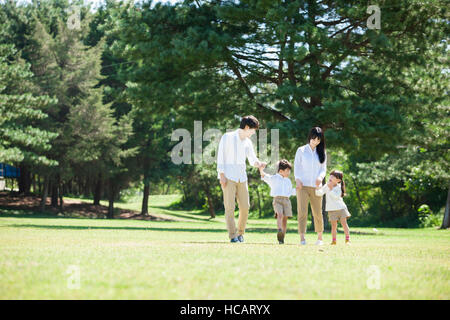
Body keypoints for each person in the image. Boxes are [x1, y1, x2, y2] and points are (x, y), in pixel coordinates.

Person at [216, 115, 266, 243]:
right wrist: (221, 175)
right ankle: (233, 236)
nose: (254, 133)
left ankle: (240, 233)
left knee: (245, 206)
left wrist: (259, 163)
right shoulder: (227, 137)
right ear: (247, 127)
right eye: (253, 130)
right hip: (228, 177)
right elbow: (220, 156)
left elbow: (252, 159)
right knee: (230, 207)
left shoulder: (248, 142)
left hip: (241, 177)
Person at [294, 127, 327, 245]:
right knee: (302, 211)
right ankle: (302, 238)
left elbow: (323, 169)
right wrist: (297, 179)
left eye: (318, 140)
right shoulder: (301, 150)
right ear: (310, 137)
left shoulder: (322, 152)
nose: (315, 141)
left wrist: (320, 178)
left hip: (316, 187)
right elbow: (297, 167)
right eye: (314, 139)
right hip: (302, 186)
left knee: (317, 212)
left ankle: (320, 238)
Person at [259, 160, 296, 244]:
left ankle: (282, 237)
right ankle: (279, 230)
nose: (289, 172)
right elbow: (264, 176)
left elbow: (291, 192)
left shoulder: (288, 181)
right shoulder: (274, 178)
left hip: (287, 200)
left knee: (285, 219)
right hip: (277, 200)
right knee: (279, 214)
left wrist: (298, 189)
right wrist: (261, 169)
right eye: (287, 170)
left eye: (289, 170)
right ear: (280, 171)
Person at [315, 170, 351, 245]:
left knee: (344, 224)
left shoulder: (338, 187)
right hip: (331, 210)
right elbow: (320, 193)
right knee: (334, 226)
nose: (331, 177)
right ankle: (334, 241)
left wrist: (331, 188)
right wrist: (317, 187)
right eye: (330, 175)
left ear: (338, 180)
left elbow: (336, 197)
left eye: (333, 176)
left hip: (341, 208)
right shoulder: (327, 185)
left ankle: (347, 239)